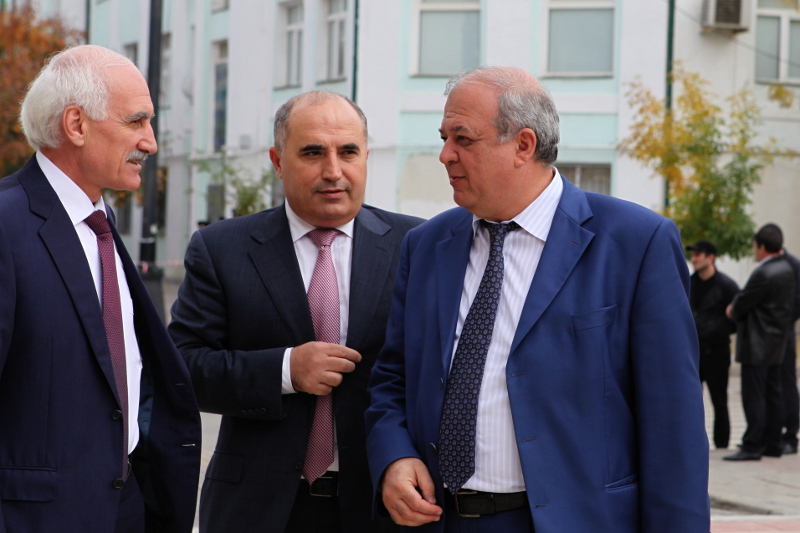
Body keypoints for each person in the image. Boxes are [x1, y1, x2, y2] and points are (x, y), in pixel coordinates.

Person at [365, 66, 710, 533]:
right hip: (440, 520)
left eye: (463, 139)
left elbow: (674, 425)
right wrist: (394, 456)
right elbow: (392, 378)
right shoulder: (426, 246)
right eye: (444, 138)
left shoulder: (635, 242)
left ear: (523, 146)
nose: (445, 155)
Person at [168, 90, 423, 533]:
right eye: (312, 152)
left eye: (348, 152)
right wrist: (285, 370)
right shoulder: (222, 249)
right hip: (255, 509)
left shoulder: (417, 246)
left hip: (379, 507)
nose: (333, 171)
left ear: (366, 157)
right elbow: (182, 369)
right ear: (278, 161)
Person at [0, 45, 201, 533]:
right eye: (136, 121)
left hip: (127, 506)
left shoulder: (100, 222)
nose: (151, 143)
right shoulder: (7, 223)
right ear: (76, 124)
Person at [724, 223, 796, 461]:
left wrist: (732, 310)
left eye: (755, 247)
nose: (754, 251)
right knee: (773, 394)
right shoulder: (787, 269)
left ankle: (752, 444)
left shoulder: (764, 272)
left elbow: (743, 302)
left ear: (762, 247)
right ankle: (773, 443)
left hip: (756, 343)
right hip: (777, 342)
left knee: (754, 396)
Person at [686, 240, 739, 449]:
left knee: (720, 401)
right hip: (693, 353)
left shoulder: (727, 285)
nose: (694, 259)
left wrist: (719, 330)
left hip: (717, 352)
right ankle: (692, 443)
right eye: (693, 254)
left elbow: (738, 315)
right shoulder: (688, 284)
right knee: (691, 401)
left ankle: (722, 444)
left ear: (711, 257)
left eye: (698, 254)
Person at [779, 244, 800, 455]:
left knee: (787, 383)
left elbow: (797, 302)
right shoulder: (770, 264)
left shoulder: (793, 265)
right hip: (771, 336)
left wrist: (781, 322)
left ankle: (791, 436)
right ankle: (774, 434)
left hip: (784, 334)